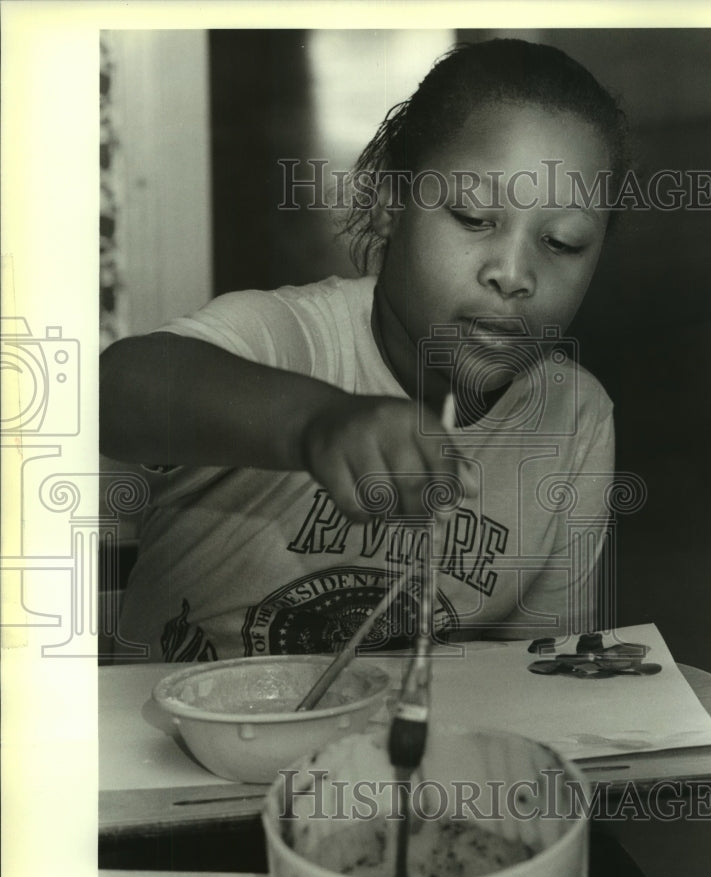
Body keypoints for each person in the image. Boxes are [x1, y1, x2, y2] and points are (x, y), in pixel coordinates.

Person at [100, 38, 627, 663]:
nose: (513, 273)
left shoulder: (575, 418)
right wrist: (315, 423)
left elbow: (546, 677)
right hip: (176, 754)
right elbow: (119, 391)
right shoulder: (291, 341)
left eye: (563, 243)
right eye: (472, 216)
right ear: (388, 205)